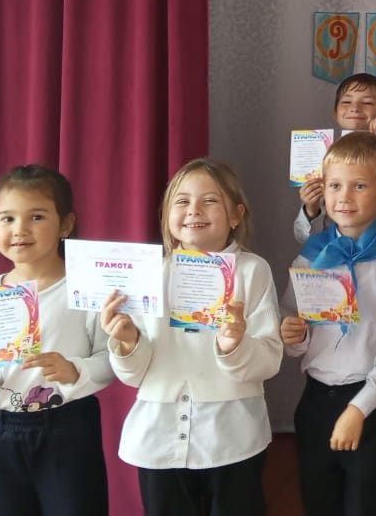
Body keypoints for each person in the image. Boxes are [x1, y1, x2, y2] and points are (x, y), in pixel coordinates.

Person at [103, 159, 282, 515]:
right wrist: (127, 341)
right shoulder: (149, 273)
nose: (194, 210)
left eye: (210, 200)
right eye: (182, 201)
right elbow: (134, 375)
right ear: (167, 214)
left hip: (233, 439)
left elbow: (270, 360)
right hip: (159, 440)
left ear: (236, 215)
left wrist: (234, 346)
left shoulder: (252, 271)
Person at [282, 132, 376, 516]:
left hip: (373, 404)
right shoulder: (309, 257)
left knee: (371, 503)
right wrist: (293, 335)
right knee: (319, 500)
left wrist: (360, 408)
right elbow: (293, 331)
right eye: (335, 186)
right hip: (315, 401)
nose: (344, 197)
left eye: (359, 186)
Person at [0, 165, 113, 516]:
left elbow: (110, 359)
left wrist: (74, 370)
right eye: (7, 218)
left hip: (67, 428)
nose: (19, 229)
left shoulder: (85, 288)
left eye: (36, 217)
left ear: (65, 225)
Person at [295, 72, 376, 244]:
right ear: (335, 112)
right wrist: (310, 209)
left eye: (367, 103)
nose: (355, 108)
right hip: (332, 255)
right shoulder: (320, 155)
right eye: (346, 102)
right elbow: (303, 238)